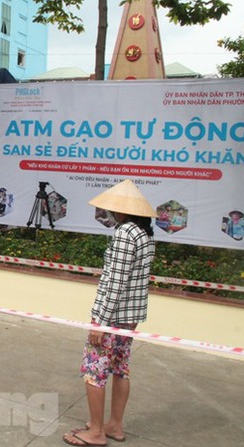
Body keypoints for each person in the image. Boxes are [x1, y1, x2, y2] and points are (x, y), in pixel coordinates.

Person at [62, 179, 156, 447]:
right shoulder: (145, 233)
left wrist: (100, 324)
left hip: (111, 316)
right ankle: (113, 425)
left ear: (122, 210)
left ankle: (96, 433)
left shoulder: (125, 232)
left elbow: (116, 281)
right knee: (120, 369)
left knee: (94, 371)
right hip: (129, 315)